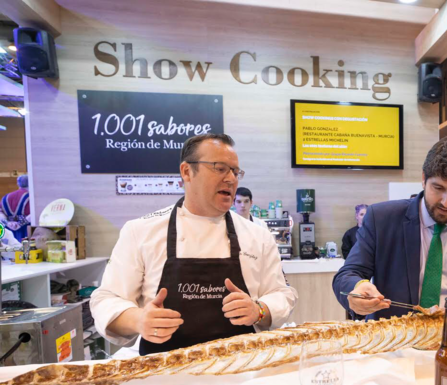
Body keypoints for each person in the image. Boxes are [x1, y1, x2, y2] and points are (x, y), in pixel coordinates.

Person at [91, 134, 297, 355]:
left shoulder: (258, 235)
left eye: (235, 172)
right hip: (163, 375)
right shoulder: (140, 231)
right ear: (187, 171)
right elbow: (107, 299)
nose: (231, 179)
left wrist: (259, 310)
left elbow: (281, 294)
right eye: (220, 168)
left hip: (241, 371)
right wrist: (139, 319)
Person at [332, 135, 447, 319]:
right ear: (424, 179)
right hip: (392, 340)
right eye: (438, 188)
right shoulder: (382, 219)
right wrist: (357, 287)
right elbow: (348, 273)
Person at [0, 175, 31, 241]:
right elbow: (33, 215)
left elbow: (1, 214)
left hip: (10, 229)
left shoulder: (5, 197)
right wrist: (20, 224)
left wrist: (8, 223)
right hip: (26, 229)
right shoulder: (31, 197)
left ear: (18, 183)